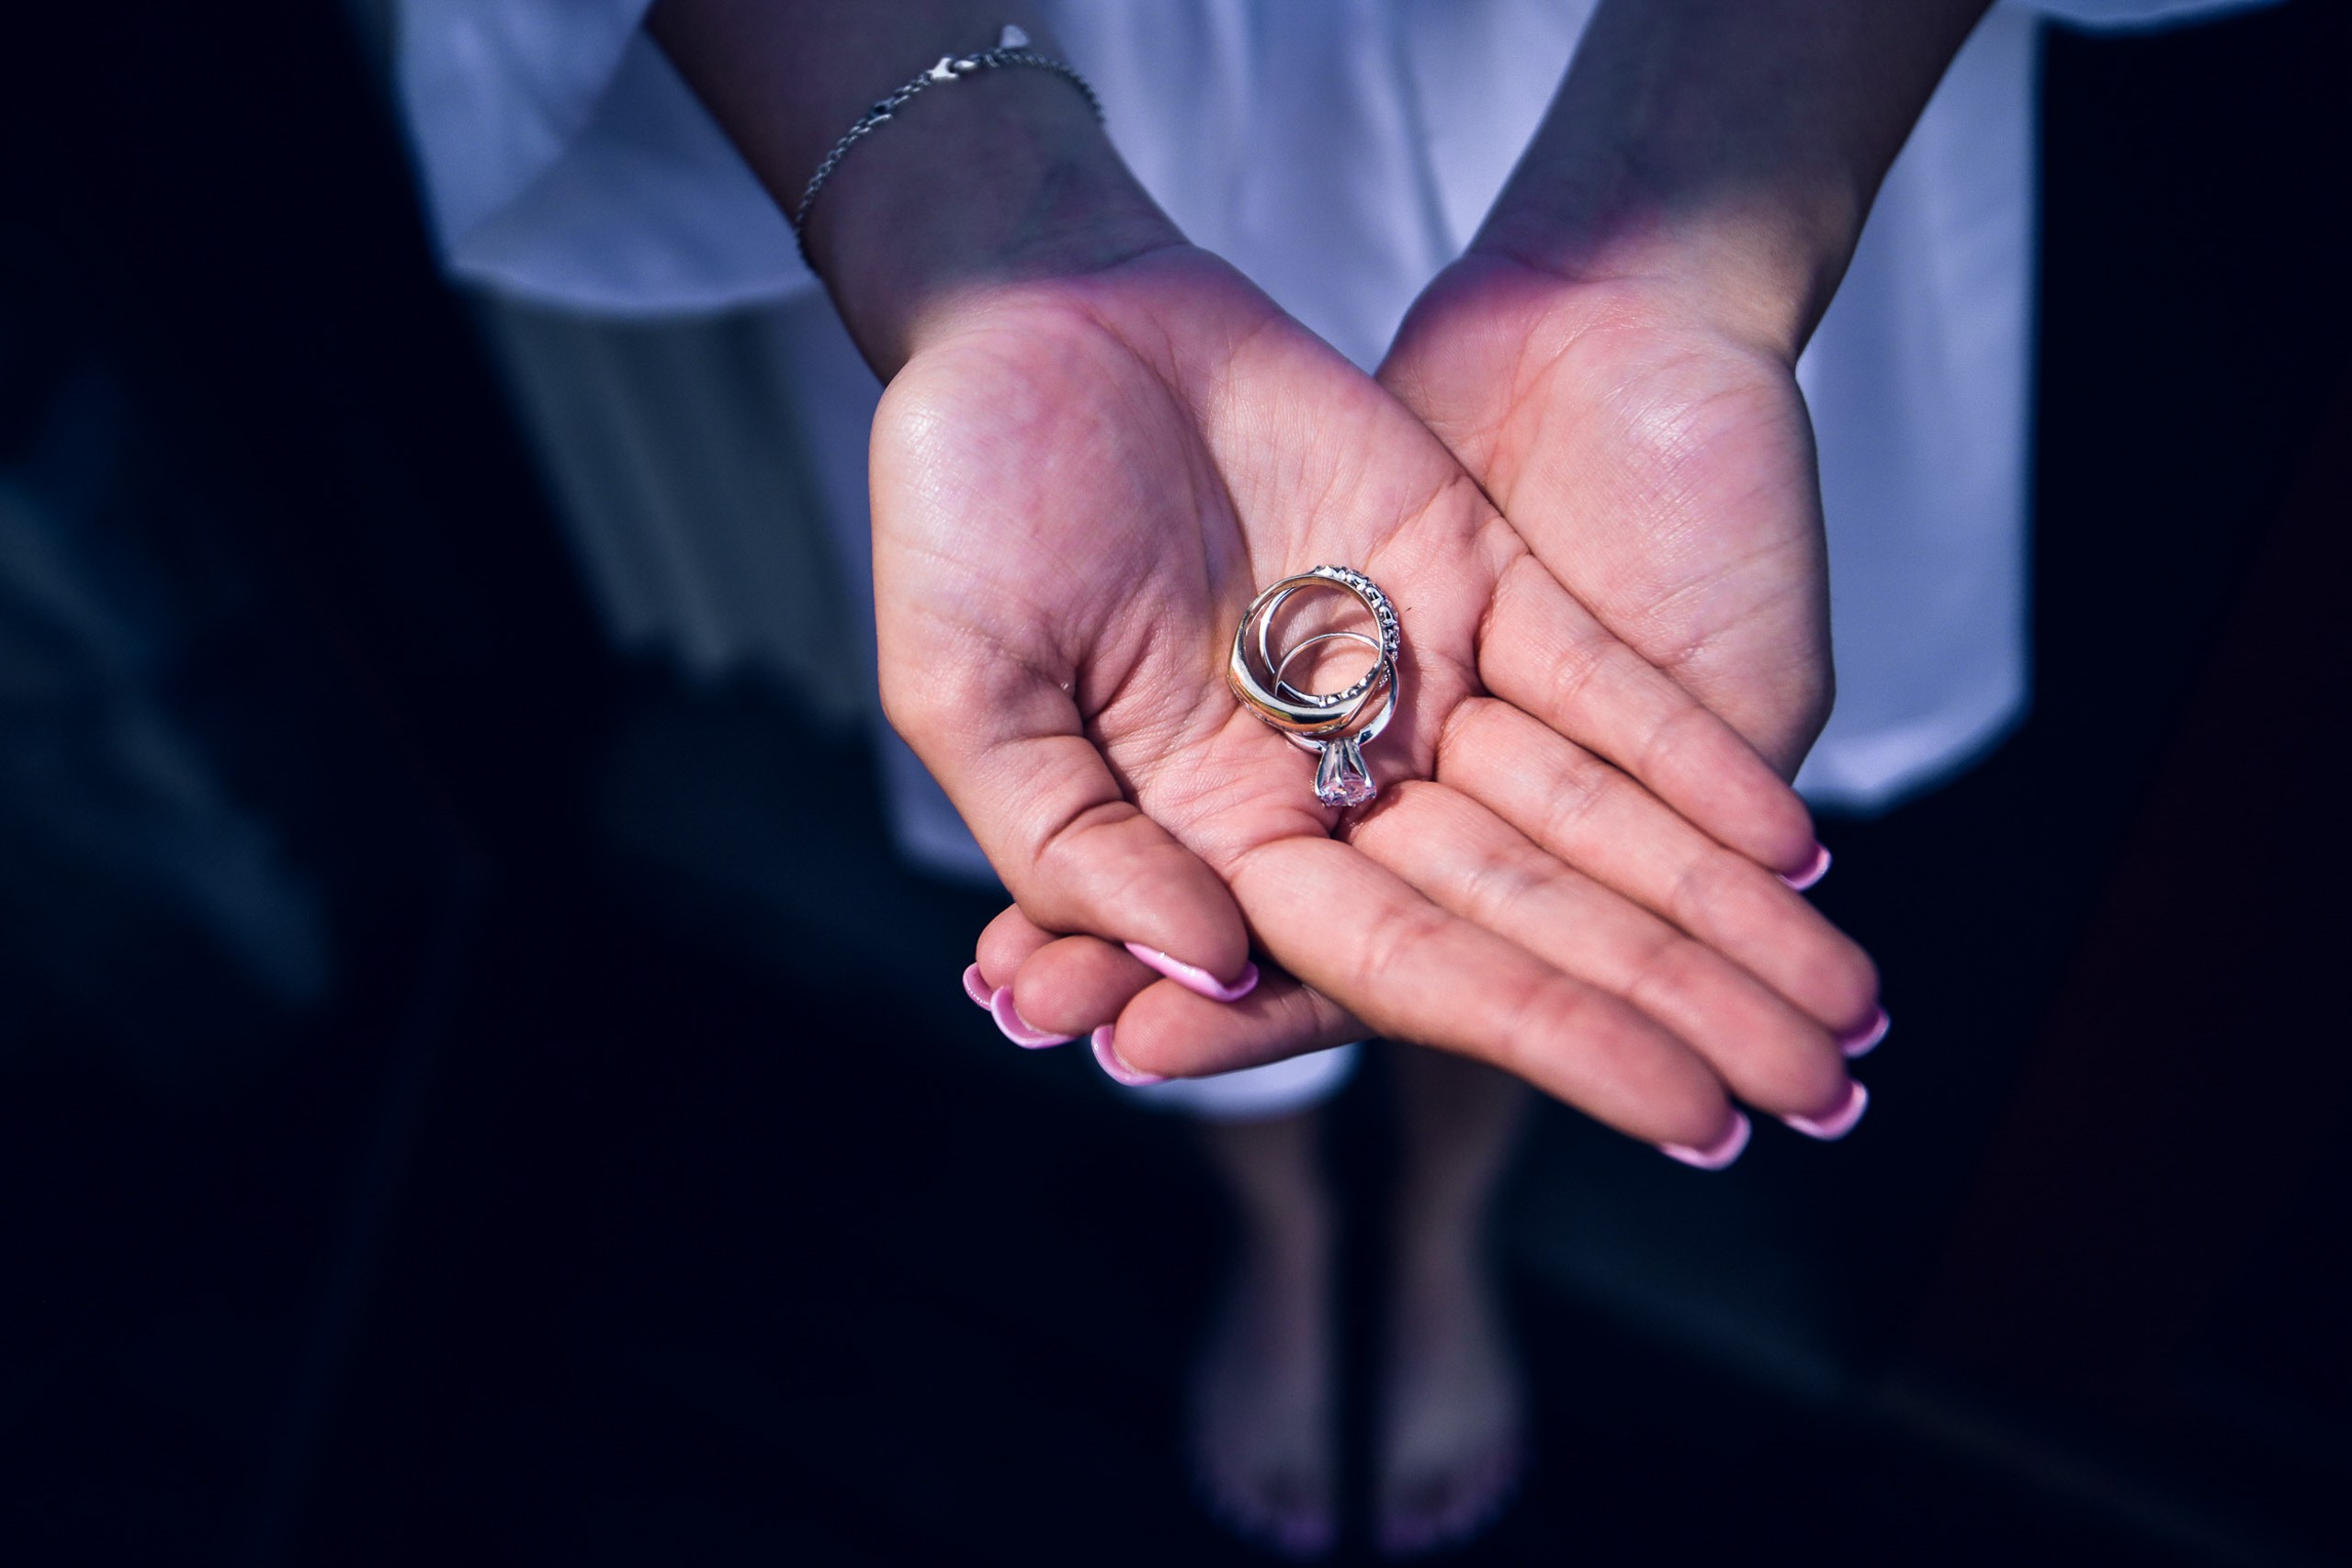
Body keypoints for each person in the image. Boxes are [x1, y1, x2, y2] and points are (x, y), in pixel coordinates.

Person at [393, 0, 2261, 1551]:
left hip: (1728, 81)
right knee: (1180, 883)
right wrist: (978, 217)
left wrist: (1675, 205)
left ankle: (1442, 1208)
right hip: (1025, 89)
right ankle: (1285, 1216)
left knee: (1550, 828)